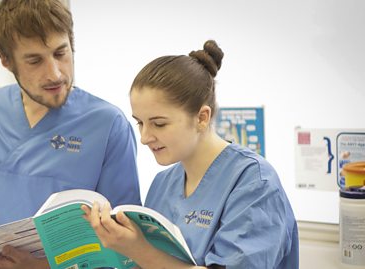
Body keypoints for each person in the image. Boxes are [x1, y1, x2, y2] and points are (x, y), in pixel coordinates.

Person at [83, 40, 299, 269]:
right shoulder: (162, 184)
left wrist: (139, 250)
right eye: (140, 123)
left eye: (159, 124)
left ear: (202, 118)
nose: (145, 137)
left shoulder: (253, 182)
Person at [0, 0, 141, 268]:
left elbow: (126, 246)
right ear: (5, 60)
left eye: (61, 53)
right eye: (35, 60)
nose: (55, 74)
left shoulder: (107, 125)